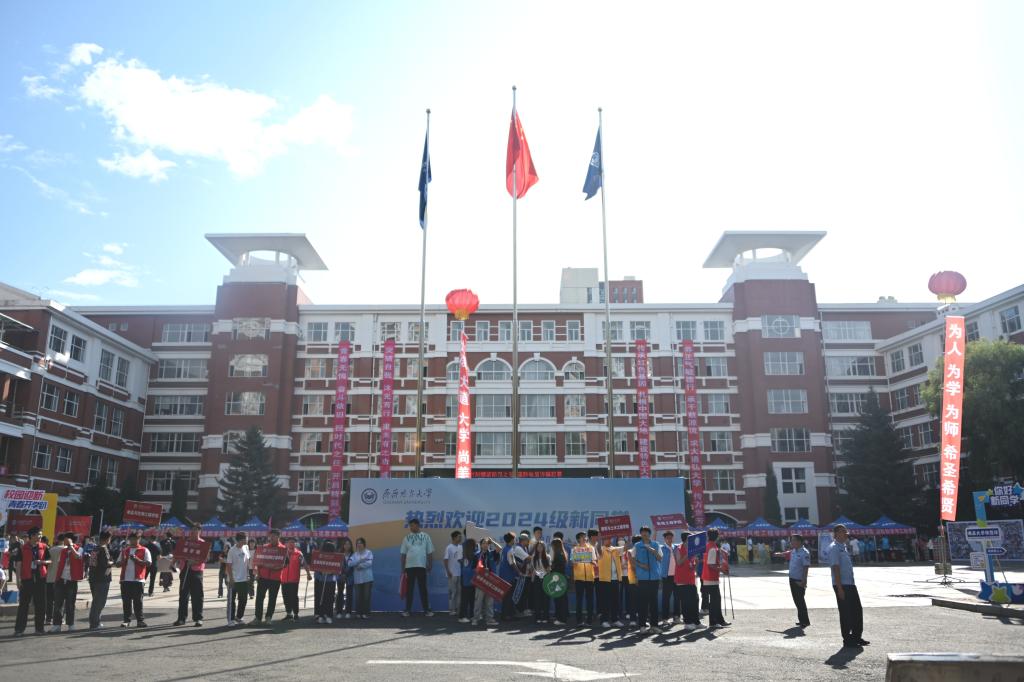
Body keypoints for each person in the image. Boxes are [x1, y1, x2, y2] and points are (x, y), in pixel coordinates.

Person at [829, 524, 867, 648]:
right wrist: (839, 588)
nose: (846, 533)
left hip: (850, 583)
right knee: (846, 612)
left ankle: (857, 636)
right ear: (836, 534)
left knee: (857, 610)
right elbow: (835, 568)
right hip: (841, 585)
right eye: (842, 531)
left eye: (846, 531)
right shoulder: (834, 548)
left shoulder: (844, 547)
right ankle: (847, 639)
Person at [13, 528, 50, 636]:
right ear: (32, 536)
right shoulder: (23, 548)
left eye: (41, 534)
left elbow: (50, 560)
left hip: (40, 579)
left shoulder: (44, 546)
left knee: (41, 604)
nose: (40, 536)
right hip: (26, 579)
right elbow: (18, 564)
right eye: (39, 534)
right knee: (23, 605)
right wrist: (18, 580)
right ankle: (19, 629)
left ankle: (39, 629)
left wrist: (42, 562)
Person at [173, 523, 207, 627]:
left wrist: (195, 562)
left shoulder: (203, 543)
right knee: (183, 595)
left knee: (197, 595)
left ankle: (198, 618)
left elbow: (204, 558)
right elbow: (177, 554)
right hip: (185, 570)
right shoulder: (185, 542)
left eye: (196, 530)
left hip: (197, 571)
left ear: (200, 531)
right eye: (192, 530)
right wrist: (173, 562)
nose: (193, 532)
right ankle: (181, 618)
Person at [399, 517, 434, 617]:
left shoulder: (426, 536)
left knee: (423, 589)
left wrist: (430, 564)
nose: (411, 528)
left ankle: (426, 610)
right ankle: (407, 610)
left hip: (421, 566)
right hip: (409, 567)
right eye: (410, 526)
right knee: (409, 589)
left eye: (412, 526)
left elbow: (430, 552)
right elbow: (403, 554)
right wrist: (403, 568)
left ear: (418, 525)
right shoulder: (406, 538)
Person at [117, 531, 151, 628]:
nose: (133, 541)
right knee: (126, 602)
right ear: (129, 539)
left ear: (139, 539)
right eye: (131, 539)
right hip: (125, 579)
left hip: (138, 580)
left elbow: (148, 563)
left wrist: (137, 560)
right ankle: (126, 620)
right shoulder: (125, 550)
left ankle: (140, 620)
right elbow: (117, 564)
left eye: (135, 539)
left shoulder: (144, 550)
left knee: (138, 602)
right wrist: (123, 561)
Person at [632, 526, 663, 634]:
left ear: (649, 534)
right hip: (643, 578)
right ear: (641, 534)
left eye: (646, 532)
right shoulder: (637, 545)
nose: (644, 534)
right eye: (642, 532)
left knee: (654, 603)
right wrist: (641, 565)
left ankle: (654, 626)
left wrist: (654, 551)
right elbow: (632, 559)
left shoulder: (656, 544)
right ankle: (642, 626)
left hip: (654, 578)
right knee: (643, 603)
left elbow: (660, 558)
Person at [51, 533, 84, 632]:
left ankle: (71, 624)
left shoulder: (79, 549)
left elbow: (78, 556)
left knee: (70, 604)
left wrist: (71, 546)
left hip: (71, 580)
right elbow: (59, 564)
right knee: (58, 603)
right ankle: (57, 625)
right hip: (61, 579)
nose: (64, 541)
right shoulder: (63, 551)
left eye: (66, 539)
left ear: (71, 540)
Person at [255, 529, 286, 624]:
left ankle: (268, 617)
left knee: (272, 599)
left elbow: (285, 564)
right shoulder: (264, 548)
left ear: (278, 537)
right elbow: (258, 561)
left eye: (273, 536)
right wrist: (258, 573)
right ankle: (257, 618)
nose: (271, 538)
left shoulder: (283, 549)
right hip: (263, 577)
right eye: (270, 536)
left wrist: (276, 567)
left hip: (275, 578)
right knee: (259, 598)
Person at [701, 529, 729, 629]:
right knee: (714, 601)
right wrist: (722, 569)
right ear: (717, 537)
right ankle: (713, 622)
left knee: (716, 600)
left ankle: (720, 620)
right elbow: (711, 564)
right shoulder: (713, 548)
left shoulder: (709, 546)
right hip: (710, 578)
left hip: (709, 577)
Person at [674, 532, 702, 631]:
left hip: (691, 579)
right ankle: (688, 622)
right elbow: (679, 562)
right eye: (691, 538)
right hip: (682, 580)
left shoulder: (692, 550)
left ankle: (696, 622)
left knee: (695, 600)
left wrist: (696, 563)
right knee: (686, 602)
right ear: (686, 539)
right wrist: (688, 554)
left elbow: (692, 567)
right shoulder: (678, 548)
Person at [279, 537, 311, 620]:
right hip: (283, 579)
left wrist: (308, 573)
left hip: (294, 579)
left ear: (295, 544)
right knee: (285, 596)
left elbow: (305, 564)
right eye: (289, 542)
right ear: (286, 544)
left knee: (293, 597)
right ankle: (289, 613)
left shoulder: (298, 554)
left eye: (293, 542)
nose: (291, 544)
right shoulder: (282, 553)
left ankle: (296, 613)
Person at [88, 531, 114, 630]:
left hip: (93, 577)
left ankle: (95, 621)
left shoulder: (95, 548)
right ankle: (94, 623)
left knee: (96, 600)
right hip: (102, 578)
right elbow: (105, 563)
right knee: (100, 602)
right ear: (108, 539)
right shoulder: (104, 549)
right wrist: (112, 562)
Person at [225, 531, 252, 625]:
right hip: (234, 579)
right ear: (240, 540)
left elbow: (247, 562)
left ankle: (239, 617)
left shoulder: (246, 547)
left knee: (243, 599)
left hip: (244, 579)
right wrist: (231, 578)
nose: (247, 540)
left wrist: (248, 574)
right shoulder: (232, 550)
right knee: (231, 601)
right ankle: (230, 619)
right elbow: (228, 565)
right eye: (246, 538)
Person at [570, 531, 596, 626]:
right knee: (579, 600)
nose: (585, 538)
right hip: (579, 577)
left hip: (589, 577)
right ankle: (579, 621)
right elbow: (572, 562)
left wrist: (592, 562)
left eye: (585, 537)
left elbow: (594, 561)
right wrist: (576, 561)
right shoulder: (574, 549)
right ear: (578, 539)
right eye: (582, 537)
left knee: (590, 599)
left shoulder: (591, 548)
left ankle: (589, 620)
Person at [595, 535, 622, 628]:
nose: (609, 540)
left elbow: (627, 547)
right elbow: (598, 548)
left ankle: (615, 620)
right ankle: (604, 620)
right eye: (606, 539)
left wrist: (628, 534)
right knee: (605, 601)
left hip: (615, 579)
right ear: (603, 540)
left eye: (610, 538)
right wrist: (599, 538)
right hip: (605, 580)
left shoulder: (615, 549)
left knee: (615, 601)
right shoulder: (601, 549)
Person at [473, 537, 500, 627]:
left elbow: (499, 548)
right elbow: (473, 568)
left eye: (487, 543)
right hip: (480, 580)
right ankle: (475, 618)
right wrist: (482, 571)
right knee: (478, 601)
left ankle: (489, 619)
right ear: (480, 545)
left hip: (490, 581)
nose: (485, 545)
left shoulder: (492, 553)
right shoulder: (477, 555)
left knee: (490, 601)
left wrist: (492, 541)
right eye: (483, 543)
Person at [787, 534, 811, 628]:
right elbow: (789, 552)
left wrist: (804, 581)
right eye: (791, 540)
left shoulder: (804, 553)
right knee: (797, 600)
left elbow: (806, 567)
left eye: (793, 540)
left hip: (799, 580)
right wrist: (781, 554)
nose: (791, 542)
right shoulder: (794, 550)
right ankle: (801, 620)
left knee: (800, 601)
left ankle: (805, 621)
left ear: (799, 541)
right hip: (792, 579)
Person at [313, 540, 339, 624]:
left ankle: (329, 615)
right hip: (321, 580)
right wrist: (321, 572)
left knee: (330, 598)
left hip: (331, 581)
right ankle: (321, 615)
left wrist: (332, 572)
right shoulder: (319, 556)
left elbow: (338, 570)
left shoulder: (336, 558)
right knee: (321, 598)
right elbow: (316, 569)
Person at [348, 537, 374, 618]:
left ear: (364, 544)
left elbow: (369, 563)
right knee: (358, 596)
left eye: (360, 543)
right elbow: (349, 563)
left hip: (367, 578)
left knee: (366, 596)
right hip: (357, 578)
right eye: (357, 543)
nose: (359, 545)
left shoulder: (368, 552)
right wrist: (359, 561)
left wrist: (360, 566)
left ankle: (365, 613)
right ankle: (358, 613)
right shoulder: (354, 554)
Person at [658, 531, 679, 625]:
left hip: (677, 576)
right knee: (666, 598)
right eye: (667, 538)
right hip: (666, 577)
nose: (669, 540)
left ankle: (676, 617)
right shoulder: (661, 548)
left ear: (673, 538)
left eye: (671, 538)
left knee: (677, 597)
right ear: (664, 539)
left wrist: (686, 528)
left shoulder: (676, 548)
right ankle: (665, 618)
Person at [549, 537, 570, 626]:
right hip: (562, 578)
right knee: (562, 599)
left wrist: (550, 568)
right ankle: (562, 617)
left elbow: (554, 567)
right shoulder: (563, 553)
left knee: (559, 600)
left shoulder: (557, 554)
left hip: (557, 578)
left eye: (552, 545)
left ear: (554, 545)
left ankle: (560, 619)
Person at [457, 538, 477, 624]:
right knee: (467, 599)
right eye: (474, 545)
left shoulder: (465, 556)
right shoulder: (472, 556)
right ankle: (462, 616)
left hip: (466, 580)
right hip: (470, 580)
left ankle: (471, 615)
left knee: (468, 599)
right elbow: (472, 569)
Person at [443, 530, 463, 617]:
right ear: (454, 538)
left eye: (461, 537)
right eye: (459, 537)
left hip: (460, 573)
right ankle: (452, 609)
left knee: (459, 592)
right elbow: (445, 560)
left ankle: (458, 609)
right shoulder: (449, 547)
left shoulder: (461, 547)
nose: (460, 538)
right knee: (452, 592)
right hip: (452, 574)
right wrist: (448, 571)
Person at [530, 540, 551, 623]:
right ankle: (537, 617)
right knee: (537, 599)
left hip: (545, 578)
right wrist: (532, 580)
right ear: (536, 548)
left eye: (541, 546)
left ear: (544, 548)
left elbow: (549, 569)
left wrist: (547, 575)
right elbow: (532, 569)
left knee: (546, 599)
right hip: (537, 579)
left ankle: (546, 617)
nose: (540, 548)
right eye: (538, 546)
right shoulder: (533, 557)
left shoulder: (547, 557)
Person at [45, 533, 62, 626]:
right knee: (59, 601)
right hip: (60, 579)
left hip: (50, 578)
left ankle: (48, 619)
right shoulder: (65, 549)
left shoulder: (51, 549)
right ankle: (59, 619)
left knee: (49, 600)